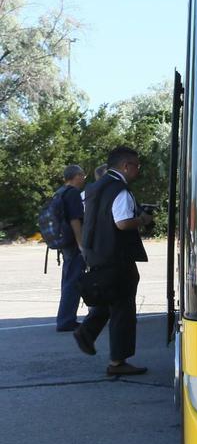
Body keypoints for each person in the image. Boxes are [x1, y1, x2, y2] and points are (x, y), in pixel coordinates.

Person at [74, 147, 151, 376]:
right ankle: (118, 361)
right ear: (126, 166)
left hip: (96, 252)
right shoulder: (120, 190)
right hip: (118, 256)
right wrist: (143, 219)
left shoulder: (93, 188)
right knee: (123, 309)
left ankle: (86, 332)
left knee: (109, 296)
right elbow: (123, 222)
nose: (138, 170)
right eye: (136, 166)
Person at [54, 165, 87, 332]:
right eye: (83, 176)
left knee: (68, 279)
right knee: (73, 281)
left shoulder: (60, 192)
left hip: (64, 242)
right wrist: (81, 244)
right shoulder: (73, 193)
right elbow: (75, 220)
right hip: (73, 243)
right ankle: (66, 320)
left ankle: (65, 318)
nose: (84, 179)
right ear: (77, 176)